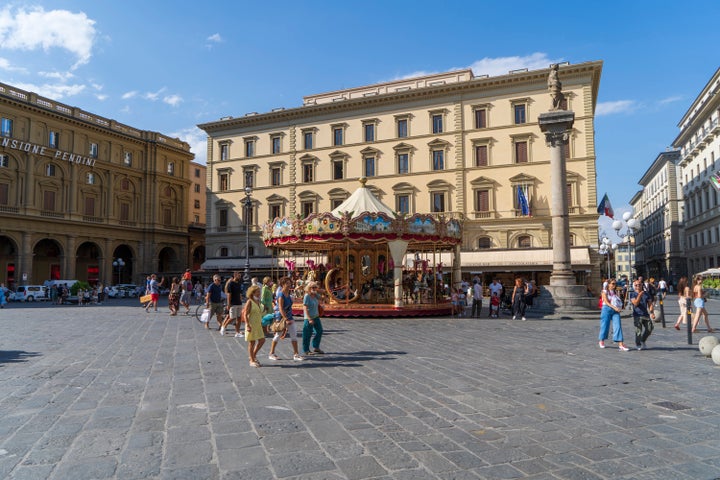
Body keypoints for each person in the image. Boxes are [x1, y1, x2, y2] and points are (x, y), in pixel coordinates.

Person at [267, 277, 304, 362]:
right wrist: (285, 318)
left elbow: (292, 302)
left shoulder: (289, 293)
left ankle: (296, 354)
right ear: (282, 284)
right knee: (278, 335)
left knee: (293, 334)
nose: (289, 284)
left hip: (289, 316)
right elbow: (280, 307)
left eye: (289, 283)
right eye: (287, 283)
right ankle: (271, 353)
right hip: (281, 317)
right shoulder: (281, 294)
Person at [599, 279, 630, 351]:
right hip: (606, 309)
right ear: (608, 284)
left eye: (615, 284)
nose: (614, 285)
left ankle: (621, 344)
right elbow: (606, 302)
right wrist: (614, 308)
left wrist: (618, 307)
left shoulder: (615, 292)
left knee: (618, 326)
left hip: (615, 310)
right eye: (612, 283)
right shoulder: (604, 291)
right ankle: (601, 340)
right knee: (605, 326)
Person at [243, 284, 266, 367]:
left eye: (259, 292)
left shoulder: (258, 301)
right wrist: (248, 325)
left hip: (258, 324)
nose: (259, 293)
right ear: (252, 293)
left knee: (262, 340)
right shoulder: (249, 301)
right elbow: (245, 314)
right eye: (257, 292)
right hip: (251, 324)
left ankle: (253, 355)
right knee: (252, 342)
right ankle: (252, 360)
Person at [630, 279, 654, 350]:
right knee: (638, 331)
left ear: (642, 285)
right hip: (637, 315)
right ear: (634, 286)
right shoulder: (633, 294)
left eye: (639, 285)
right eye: (636, 285)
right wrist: (639, 295)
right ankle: (638, 343)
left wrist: (652, 312)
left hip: (645, 314)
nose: (638, 286)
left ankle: (643, 340)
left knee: (650, 328)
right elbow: (635, 303)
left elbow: (650, 304)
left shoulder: (646, 294)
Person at [302, 281, 324, 355]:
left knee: (319, 331)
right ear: (309, 288)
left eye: (315, 287)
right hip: (309, 318)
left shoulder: (315, 295)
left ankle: (316, 347)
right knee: (307, 334)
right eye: (313, 287)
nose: (314, 288)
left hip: (316, 316)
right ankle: (306, 350)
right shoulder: (307, 296)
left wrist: (320, 292)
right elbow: (305, 307)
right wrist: (309, 319)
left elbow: (323, 299)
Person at [221, 271, 244, 337]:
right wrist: (229, 304)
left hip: (239, 302)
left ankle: (237, 332)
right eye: (238, 276)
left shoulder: (239, 283)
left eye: (240, 276)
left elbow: (240, 293)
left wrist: (241, 300)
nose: (240, 277)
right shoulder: (231, 284)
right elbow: (229, 294)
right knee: (232, 317)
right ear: (235, 275)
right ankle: (223, 327)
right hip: (233, 303)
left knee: (239, 318)